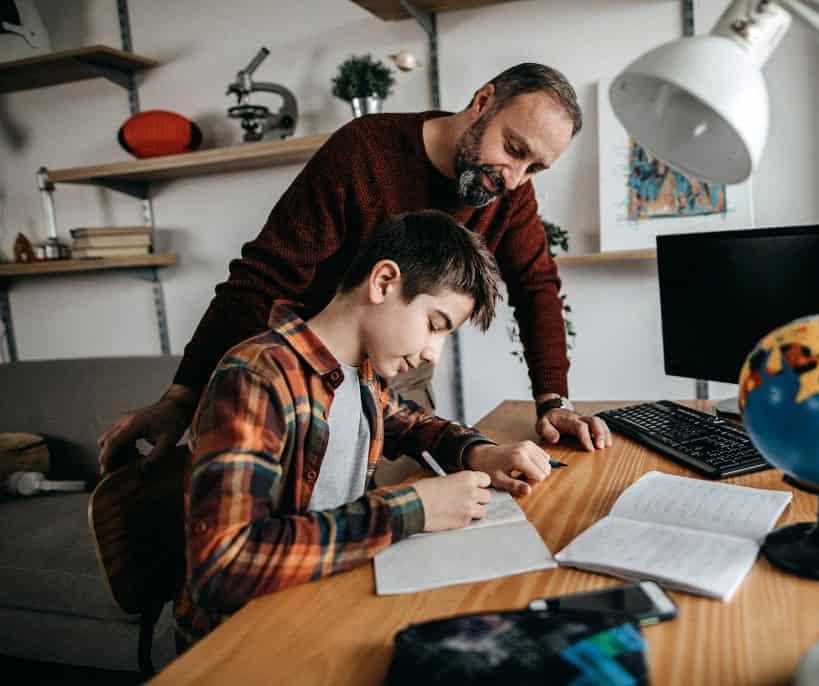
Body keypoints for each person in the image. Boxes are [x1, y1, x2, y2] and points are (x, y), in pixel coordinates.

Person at [98, 62, 611, 477]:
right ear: (482, 103)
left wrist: (551, 401)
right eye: (514, 150)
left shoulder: (508, 192)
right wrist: (183, 396)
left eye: (535, 168)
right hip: (309, 359)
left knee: (406, 478)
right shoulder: (365, 152)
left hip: (396, 359)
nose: (514, 178)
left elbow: (537, 287)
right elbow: (261, 278)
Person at [175, 210, 556, 648]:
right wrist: (407, 509)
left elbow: (415, 425)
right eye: (435, 325)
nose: (435, 353)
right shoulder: (258, 377)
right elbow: (222, 566)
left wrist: (479, 453)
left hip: (324, 601)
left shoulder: (361, 374)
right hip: (244, 642)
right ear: (383, 282)